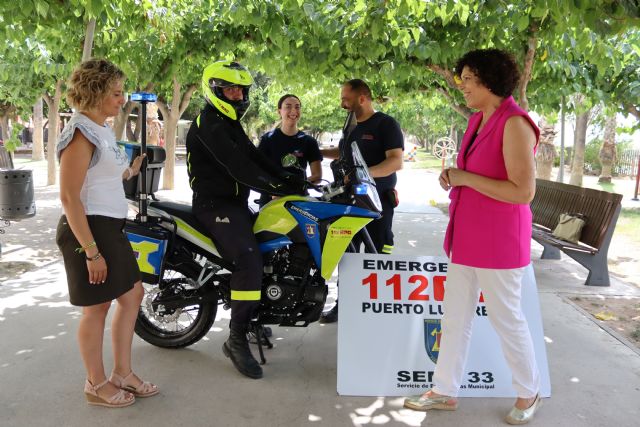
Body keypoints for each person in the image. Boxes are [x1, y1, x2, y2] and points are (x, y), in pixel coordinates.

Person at [403, 49, 542, 425]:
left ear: (487, 80)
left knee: (506, 320)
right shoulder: (478, 120)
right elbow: (476, 175)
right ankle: (445, 390)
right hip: (466, 238)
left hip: (499, 243)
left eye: (466, 78)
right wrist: (453, 176)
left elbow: (523, 192)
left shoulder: (515, 123)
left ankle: (529, 393)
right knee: (454, 318)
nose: (460, 85)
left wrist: (465, 178)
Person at [185, 60, 305, 379]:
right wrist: (276, 186)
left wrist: (291, 179)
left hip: (235, 204)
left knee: (270, 249)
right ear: (215, 91)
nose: (237, 96)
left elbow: (254, 157)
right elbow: (238, 167)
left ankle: (254, 316)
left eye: (241, 90)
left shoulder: (229, 123)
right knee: (249, 259)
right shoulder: (208, 123)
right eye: (231, 89)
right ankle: (236, 338)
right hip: (214, 205)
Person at [56, 59, 158, 408]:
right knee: (97, 307)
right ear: (95, 92)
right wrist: (91, 252)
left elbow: (101, 176)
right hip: (89, 230)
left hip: (110, 226)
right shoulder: (80, 132)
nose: (121, 99)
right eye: (115, 93)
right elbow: (69, 197)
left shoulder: (100, 128)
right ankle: (95, 383)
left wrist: (130, 170)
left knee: (132, 296)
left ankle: (122, 373)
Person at [319, 79, 404, 323]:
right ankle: (344, 305)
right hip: (348, 202)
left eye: (346, 98)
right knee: (347, 255)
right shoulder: (351, 126)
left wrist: (363, 173)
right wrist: (317, 151)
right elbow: (343, 152)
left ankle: (377, 309)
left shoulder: (386, 124)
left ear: (362, 98)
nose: (342, 103)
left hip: (377, 203)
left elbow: (395, 161)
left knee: (377, 254)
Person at [257, 94, 323, 206]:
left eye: (297, 107)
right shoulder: (267, 139)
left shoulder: (309, 141)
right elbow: (258, 171)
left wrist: (295, 186)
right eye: (288, 106)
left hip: (300, 201)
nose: (293, 111)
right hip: (271, 200)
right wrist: (275, 189)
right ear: (279, 111)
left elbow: (317, 176)